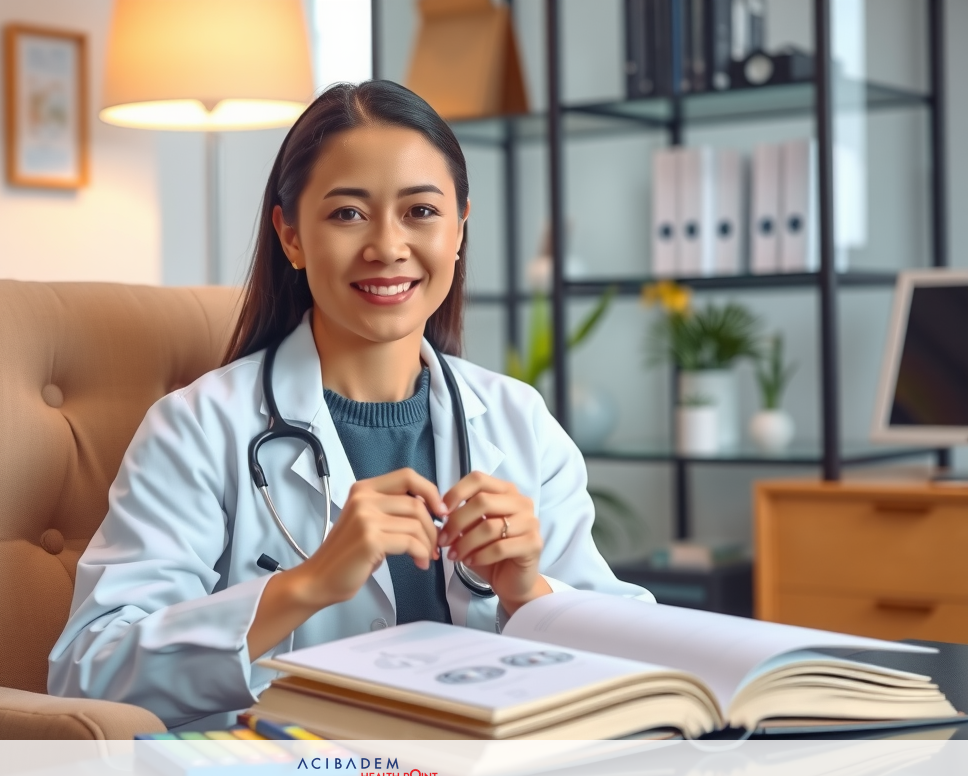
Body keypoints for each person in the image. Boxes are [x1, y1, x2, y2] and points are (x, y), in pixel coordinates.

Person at [48, 80, 651, 730]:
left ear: (459, 228)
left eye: (420, 212)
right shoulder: (197, 428)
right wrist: (307, 585)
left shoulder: (518, 420)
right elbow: (90, 670)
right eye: (347, 214)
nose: (388, 246)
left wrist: (531, 594)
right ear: (291, 235)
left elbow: (637, 660)